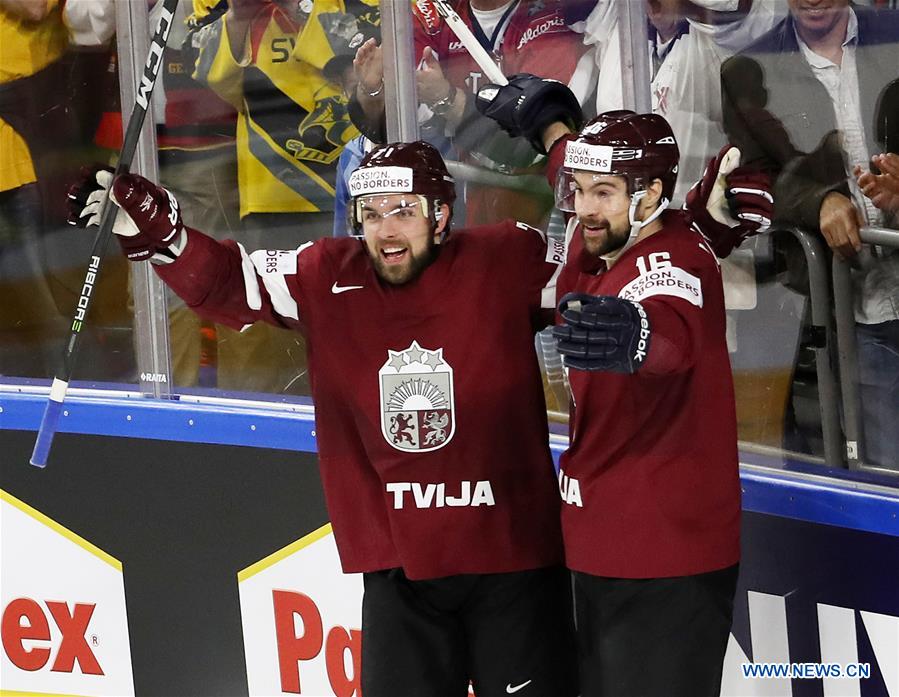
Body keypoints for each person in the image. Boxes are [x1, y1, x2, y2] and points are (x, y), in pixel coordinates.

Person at [66, 141, 578, 697]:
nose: (386, 231)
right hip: (398, 573)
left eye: (404, 211)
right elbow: (229, 285)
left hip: (515, 562)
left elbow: (595, 268)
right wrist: (166, 240)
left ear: (442, 215)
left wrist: (563, 151)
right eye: (373, 213)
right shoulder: (325, 274)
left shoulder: (505, 257)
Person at [476, 79, 767, 695]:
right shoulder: (601, 233)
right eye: (577, 191)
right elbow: (583, 171)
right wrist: (551, 125)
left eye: (603, 193)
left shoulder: (675, 259)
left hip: (667, 554)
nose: (584, 207)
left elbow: (672, 329)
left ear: (652, 196)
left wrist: (637, 337)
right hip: (599, 539)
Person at [720, 0, 899, 468]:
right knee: (884, 462)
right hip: (850, 306)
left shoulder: (896, 33)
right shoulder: (747, 70)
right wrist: (818, 199)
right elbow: (753, 177)